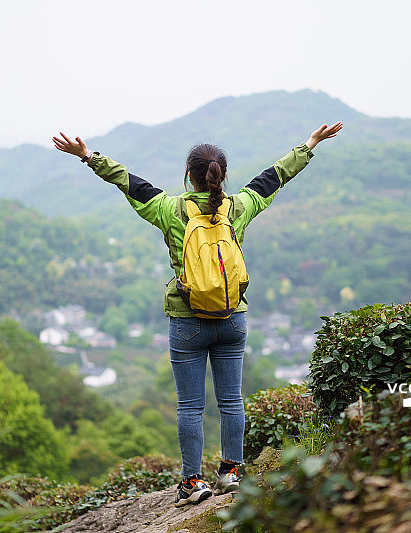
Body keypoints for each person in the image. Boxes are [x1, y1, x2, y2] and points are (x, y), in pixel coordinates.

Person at [52, 120, 343, 506]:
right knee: (231, 400)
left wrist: (89, 156)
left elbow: (128, 182)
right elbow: (274, 177)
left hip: (187, 320)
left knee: (190, 406)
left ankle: (192, 483)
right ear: (221, 174)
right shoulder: (238, 206)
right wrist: (310, 143)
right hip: (231, 318)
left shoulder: (170, 209)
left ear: (189, 175)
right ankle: (232, 472)